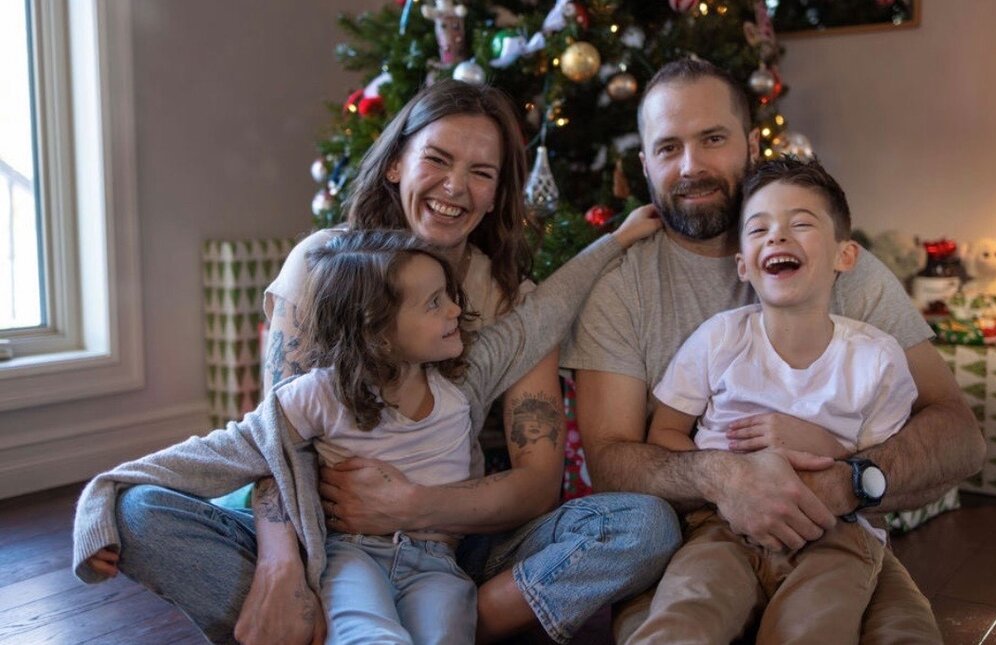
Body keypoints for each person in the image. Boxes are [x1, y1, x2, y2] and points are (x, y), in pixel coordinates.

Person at [108, 80, 681, 645]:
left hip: (456, 542)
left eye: (482, 173)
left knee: (644, 525)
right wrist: (280, 568)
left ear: (496, 192)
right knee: (139, 515)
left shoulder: (511, 297)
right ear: (394, 165)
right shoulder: (322, 266)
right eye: (437, 159)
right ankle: (314, 615)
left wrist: (414, 505)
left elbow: (536, 485)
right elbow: (277, 446)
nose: (455, 187)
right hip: (325, 541)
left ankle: (430, 622)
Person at [74, 217, 660, 644]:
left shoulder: (463, 377)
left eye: (450, 297)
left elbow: (544, 313)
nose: (455, 310)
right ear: (379, 331)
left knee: (444, 629)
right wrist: (102, 496)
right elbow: (222, 453)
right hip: (347, 557)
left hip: (439, 560)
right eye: (435, 304)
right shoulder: (319, 396)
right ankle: (303, 620)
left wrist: (620, 238)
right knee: (368, 632)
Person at [562, 59, 985, 643]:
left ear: (751, 144)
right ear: (644, 165)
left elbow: (960, 436)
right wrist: (726, 478)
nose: (690, 166)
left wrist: (843, 483)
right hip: (699, 544)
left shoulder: (834, 265)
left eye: (712, 139)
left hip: (836, 532)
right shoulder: (624, 286)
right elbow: (609, 459)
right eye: (667, 148)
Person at [635, 157, 919, 643]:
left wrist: (825, 445)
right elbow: (664, 433)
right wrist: (731, 478)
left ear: (844, 256)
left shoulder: (878, 360)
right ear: (744, 264)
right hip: (720, 527)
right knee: (685, 614)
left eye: (801, 224)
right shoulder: (719, 339)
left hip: (835, 533)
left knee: (814, 629)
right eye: (759, 228)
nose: (777, 237)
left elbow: (882, 478)